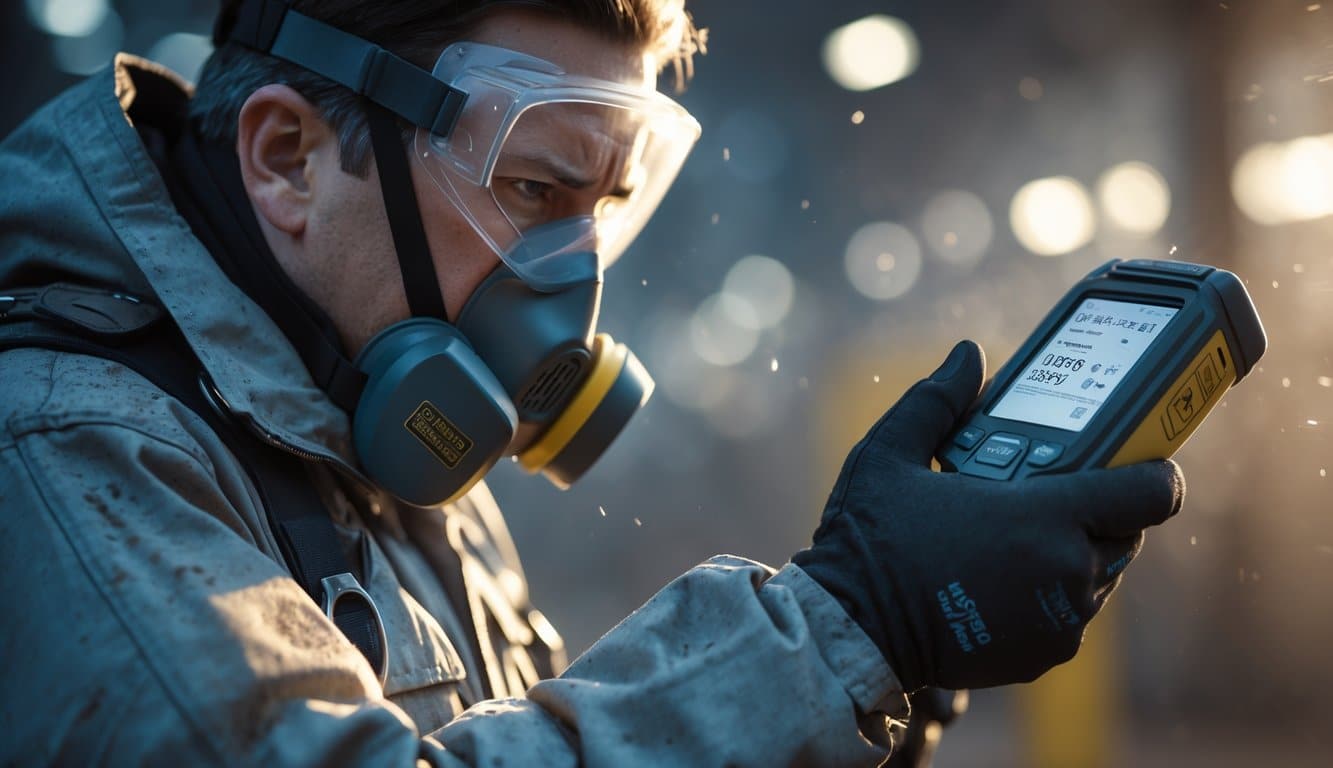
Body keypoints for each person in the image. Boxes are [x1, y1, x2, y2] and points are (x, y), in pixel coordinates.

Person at [0, 0, 1184, 764]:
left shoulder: (373, 421)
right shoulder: (69, 445)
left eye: (604, 204)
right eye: (531, 190)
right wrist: (840, 625)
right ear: (288, 159)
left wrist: (864, 700)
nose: (573, 280)